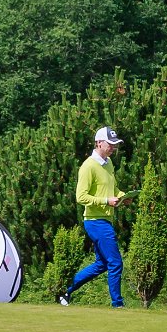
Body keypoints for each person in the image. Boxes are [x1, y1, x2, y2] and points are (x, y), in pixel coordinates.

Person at [58, 127, 126, 308]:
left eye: (114, 145)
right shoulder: (88, 166)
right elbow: (80, 197)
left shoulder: (108, 163)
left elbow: (112, 189)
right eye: (110, 144)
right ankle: (118, 304)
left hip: (105, 220)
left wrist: (122, 196)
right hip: (95, 222)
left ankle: (66, 291)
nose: (113, 148)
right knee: (115, 262)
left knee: (102, 264)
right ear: (99, 143)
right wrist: (106, 201)